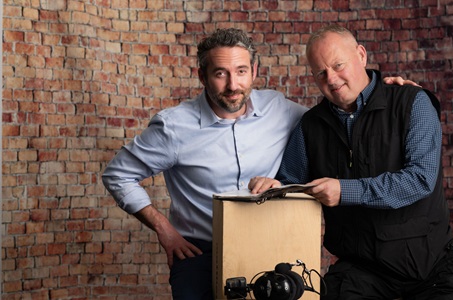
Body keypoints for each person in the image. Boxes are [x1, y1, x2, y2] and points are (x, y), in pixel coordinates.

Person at [102, 27, 416, 300]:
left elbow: (335, 118)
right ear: (202, 75)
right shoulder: (173, 127)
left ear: (254, 71)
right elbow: (118, 175)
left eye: (240, 71)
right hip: (199, 255)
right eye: (220, 73)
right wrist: (164, 229)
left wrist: (384, 95)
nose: (232, 85)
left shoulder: (282, 111)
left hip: (270, 252)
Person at [249, 25, 453, 299]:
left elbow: (421, 179)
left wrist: (345, 191)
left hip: (433, 271)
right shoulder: (310, 126)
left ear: (361, 55)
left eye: (338, 65)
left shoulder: (413, 102)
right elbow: (292, 185)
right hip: (360, 273)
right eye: (321, 72)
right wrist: (275, 186)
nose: (331, 79)